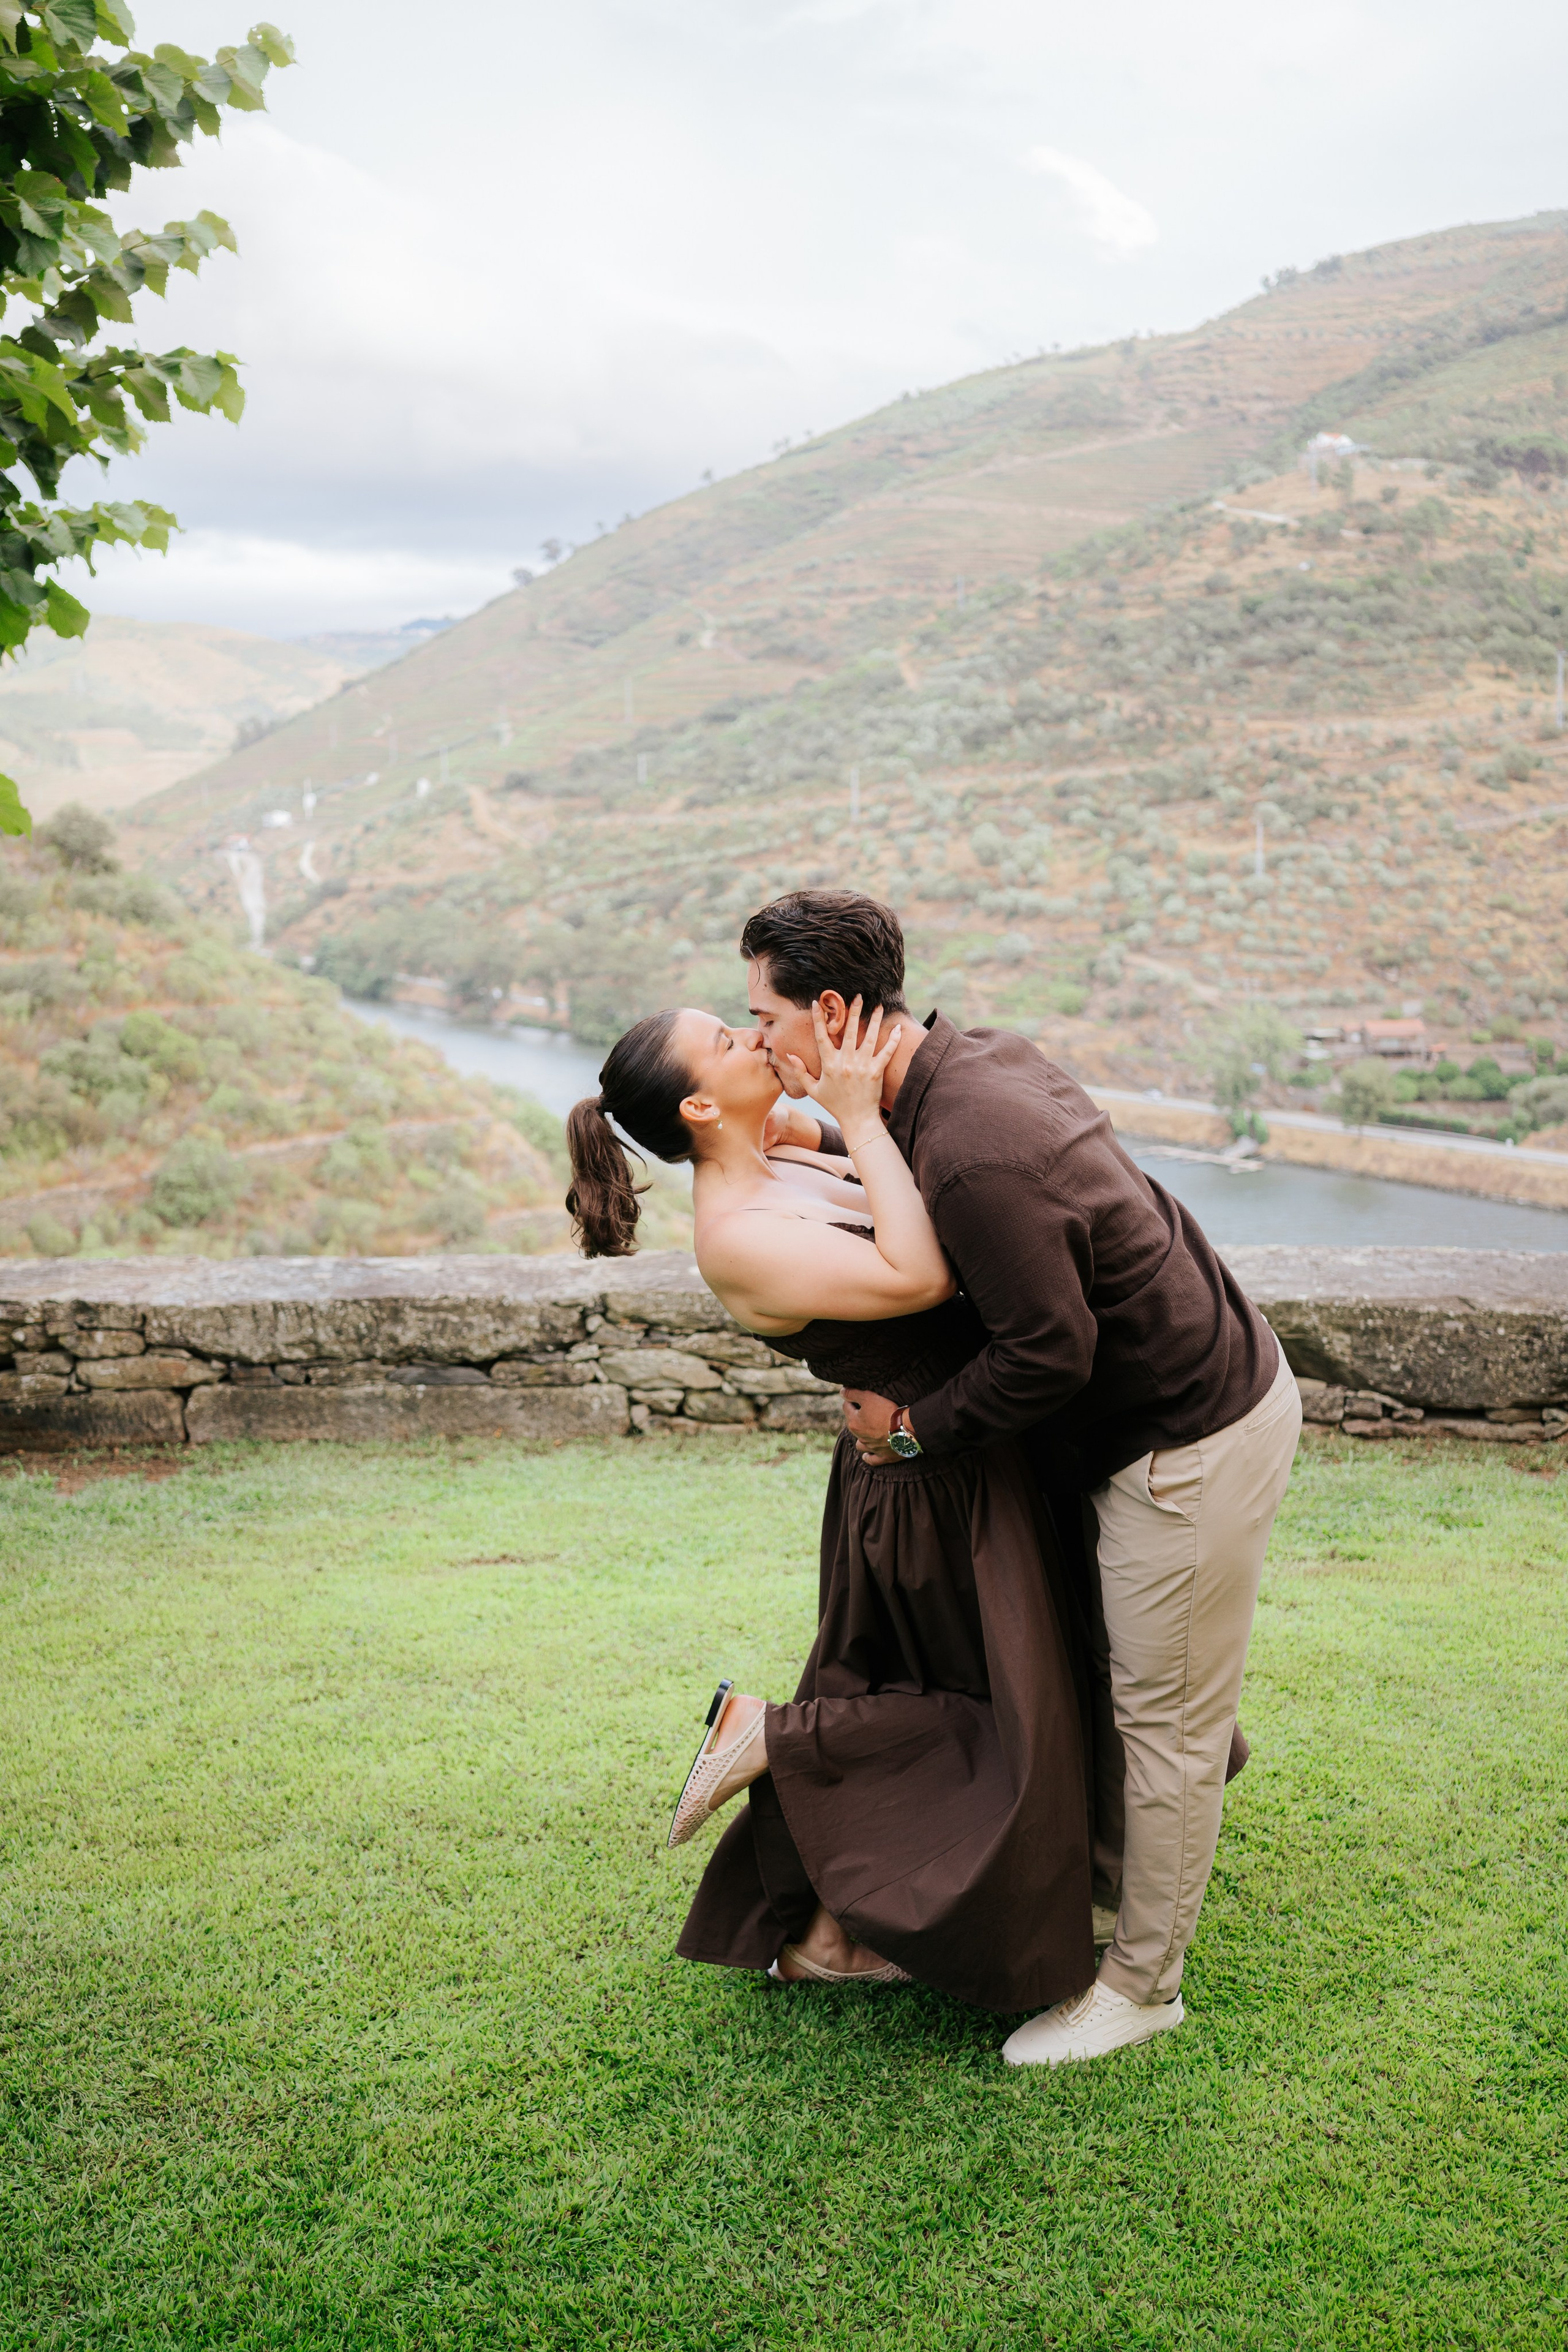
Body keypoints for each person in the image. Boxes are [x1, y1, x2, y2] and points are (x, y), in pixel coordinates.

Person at [739, 890, 1302, 2067]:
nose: (758, 1045)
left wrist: (910, 1435)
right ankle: (1103, 1882)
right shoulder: (960, 1065)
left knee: (1166, 1722)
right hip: (1159, 1416)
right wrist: (831, 1136)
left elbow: (1050, 1354)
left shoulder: (972, 1142)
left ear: (833, 1011)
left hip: (1185, 1443)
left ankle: (1142, 1986)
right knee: (1112, 1675)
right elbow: (944, 1183)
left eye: (766, 1016)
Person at [564, 1000, 1098, 2012]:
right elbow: (921, 1269)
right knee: (999, 1715)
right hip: (925, 1492)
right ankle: (771, 1734)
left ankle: (825, 1939)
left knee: (1008, 1691)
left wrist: (848, 1094)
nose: (752, 1038)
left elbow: (904, 1147)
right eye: (727, 1043)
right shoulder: (738, 1237)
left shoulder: (772, 1146)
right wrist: (856, 1116)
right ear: (697, 1103)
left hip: (959, 1456)